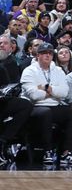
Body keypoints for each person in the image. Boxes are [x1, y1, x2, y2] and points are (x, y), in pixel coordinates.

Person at [20, 43, 72, 167]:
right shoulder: (29, 71)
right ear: (38, 55)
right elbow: (34, 96)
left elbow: (64, 92)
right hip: (34, 107)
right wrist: (54, 91)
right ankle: (47, 151)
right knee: (46, 112)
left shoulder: (58, 70)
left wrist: (45, 88)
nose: (47, 55)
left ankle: (66, 152)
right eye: (44, 53)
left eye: (49, 53)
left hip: (55, 105)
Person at [0, 33, 33, 166]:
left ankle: (3, 140)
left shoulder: (14, 63)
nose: (1, 45)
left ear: (11, 48)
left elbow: (16, 86)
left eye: (4, 43)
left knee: (26, 105)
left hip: (5, 100)